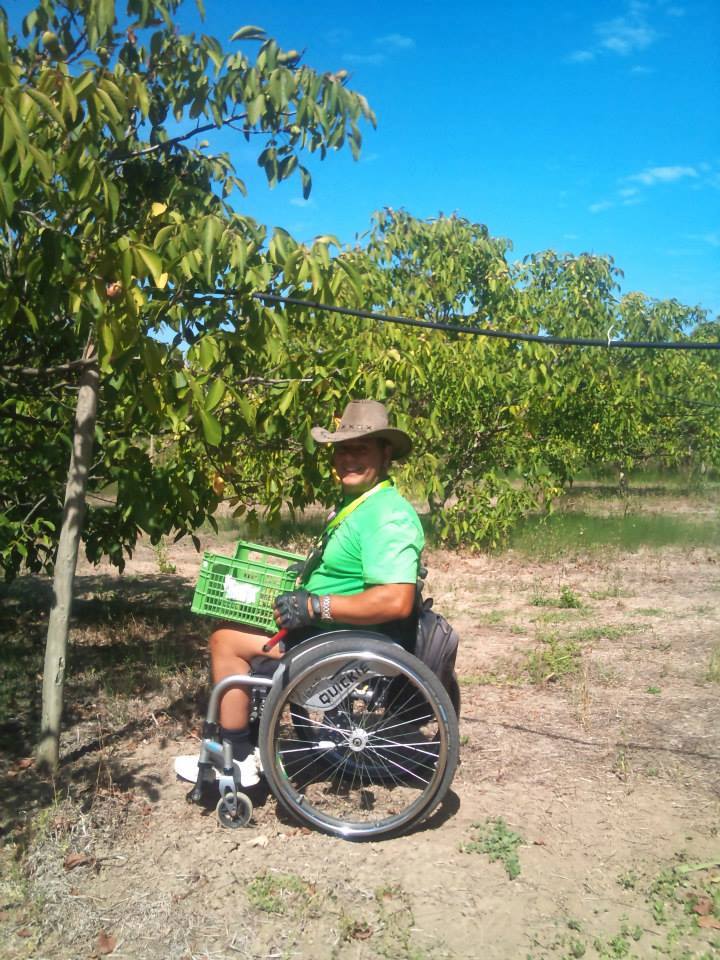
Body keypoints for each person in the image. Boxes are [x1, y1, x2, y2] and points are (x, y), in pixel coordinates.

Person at [178, 399, 424, 787]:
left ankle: (237, 758)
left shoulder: (386, 514)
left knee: (225, 639)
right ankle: (247, 741)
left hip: (342, 640)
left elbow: (396, 600)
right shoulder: (362, 505)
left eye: (361, 449)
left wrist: (314, 606)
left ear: (385, 454)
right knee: (237, 614)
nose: (348, 458)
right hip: (332, 630)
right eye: (343, 449)